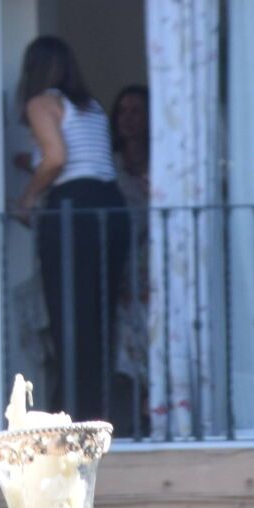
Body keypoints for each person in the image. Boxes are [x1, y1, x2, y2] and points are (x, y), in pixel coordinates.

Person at [14, 35, 130, 425]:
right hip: (111, 206)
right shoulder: (91, 107)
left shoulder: (40, 103)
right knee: (100, 315)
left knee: (69, 314)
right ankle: (96, 409)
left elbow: (57, 158)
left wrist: (27, 198)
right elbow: (83, 158)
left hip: (73, 211)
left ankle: (71, 413)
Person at [110, 83, 152, 436]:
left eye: (137, 111)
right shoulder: (113, 169)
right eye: (123, 111)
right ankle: (141, 410)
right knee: (130, 337)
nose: (129, 119)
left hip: (161, 264)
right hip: (128, 268)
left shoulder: (165, 165)